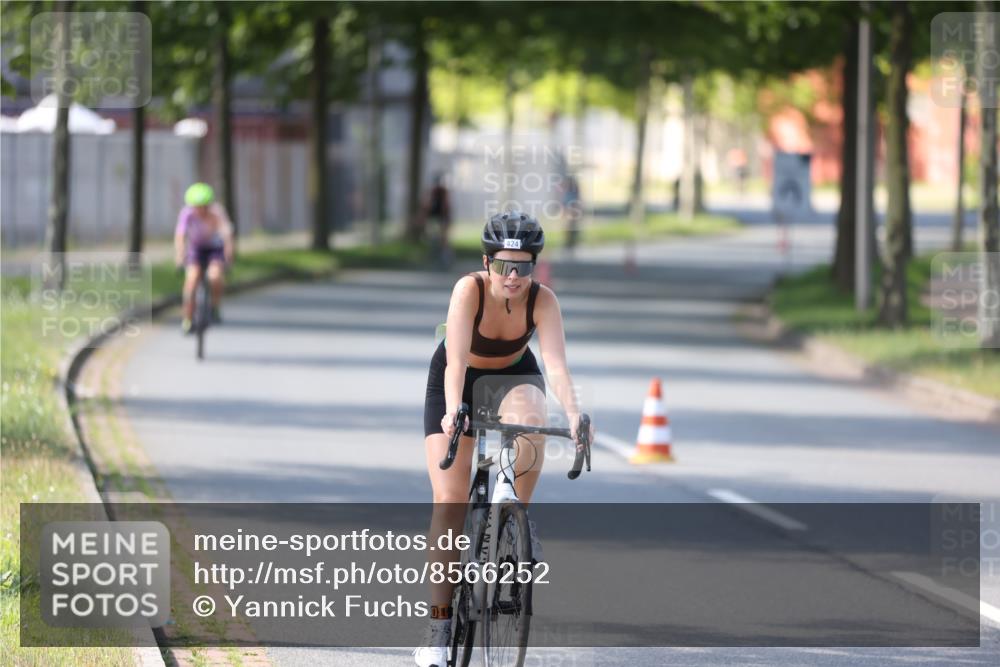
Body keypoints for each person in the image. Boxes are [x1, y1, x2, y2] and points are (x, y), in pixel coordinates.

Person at [414, 211, 594, 667]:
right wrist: (455, 410)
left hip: (514, 374)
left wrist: (574, 415)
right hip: (458, 378)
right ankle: (438, 629)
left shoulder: (543, 301)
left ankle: (513, 513)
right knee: (450, 503)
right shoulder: (468, 290)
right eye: (502, 266)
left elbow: (555, 366)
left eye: (523, 267)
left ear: (536, 266)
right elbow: (456, 362)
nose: (512, 277)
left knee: (533, 419)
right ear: (486, 262)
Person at [174, 183, 234, 334]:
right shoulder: (186, 213)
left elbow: (227, 234)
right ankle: (187, 318)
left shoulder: (217, 212)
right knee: (192, 279)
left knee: (215, 276)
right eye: (197, 207)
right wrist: (180, 255)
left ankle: (214, 306)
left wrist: (228, 254)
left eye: (204, 206)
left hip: (214, 247)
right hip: (196, 248)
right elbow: (180, 236)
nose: (201, 210)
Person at [419, 172, 453, 268]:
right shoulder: (433, 191)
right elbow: (427, 206)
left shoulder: (441, 191)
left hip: (439, 218)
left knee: (442, 239)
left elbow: (444, 206)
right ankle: (437, 256)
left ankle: (444, 257)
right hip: (435, 218)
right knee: (435, 238)